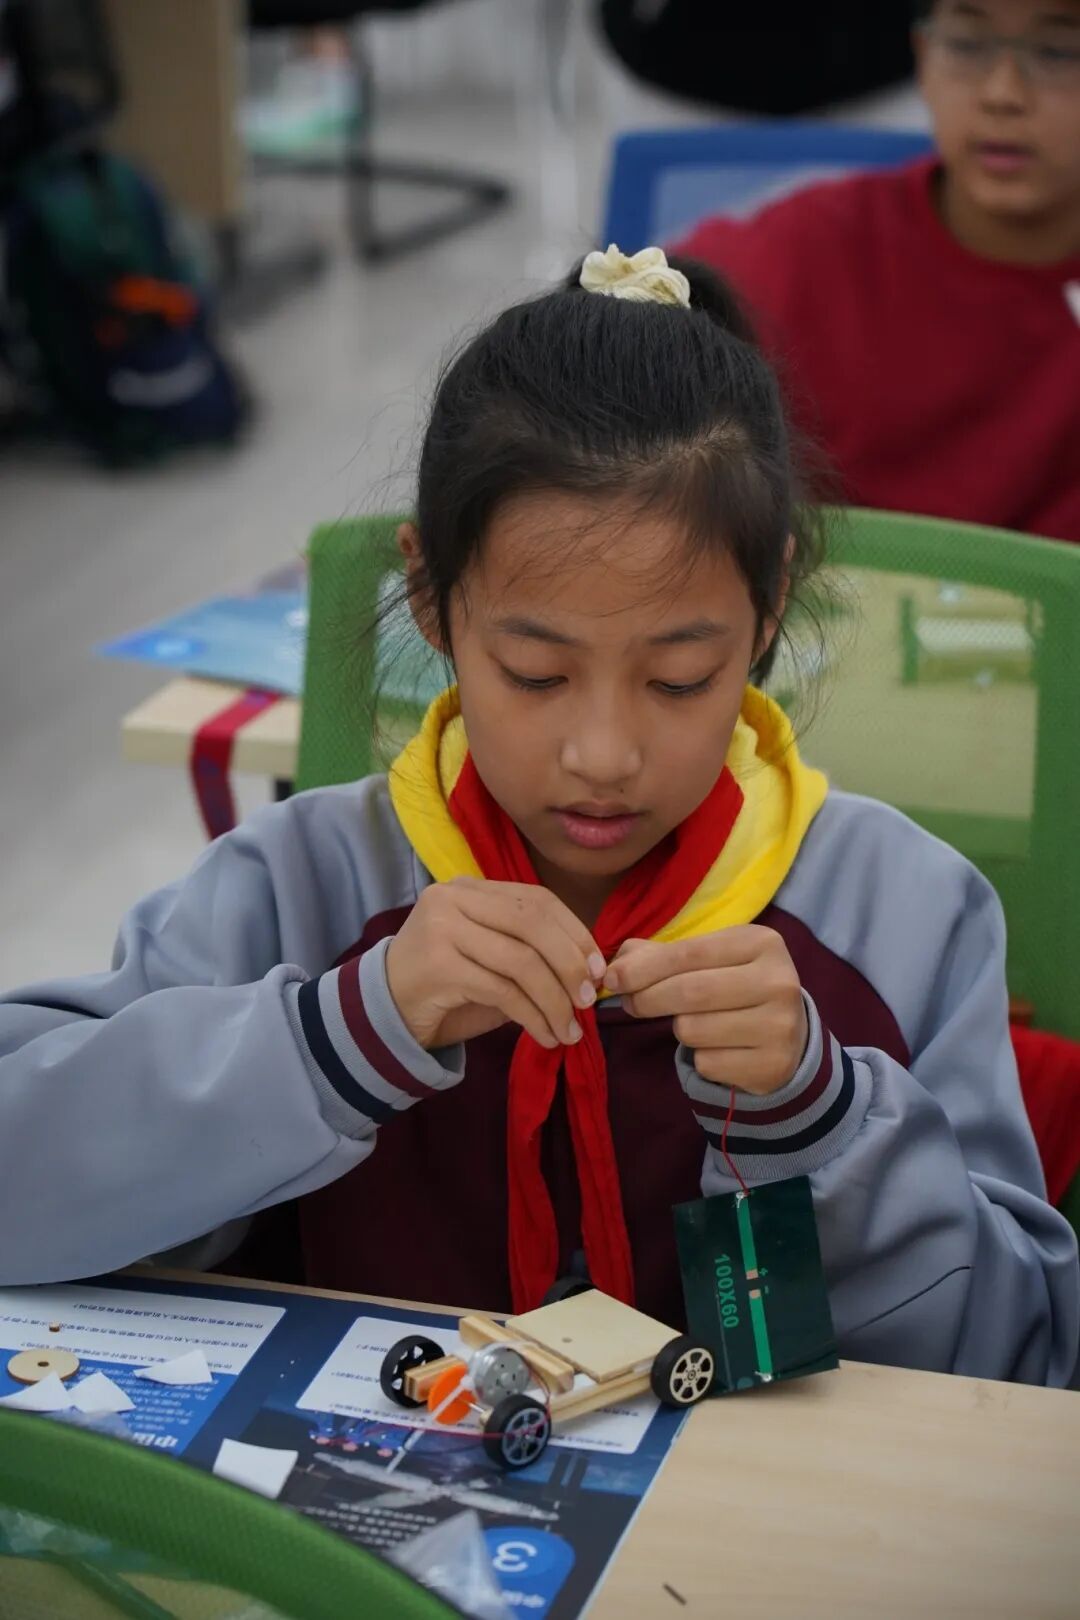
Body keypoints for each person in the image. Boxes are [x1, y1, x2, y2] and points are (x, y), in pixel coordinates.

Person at [0, 245, 1076, 1387]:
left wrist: (826, 1119)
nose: (602, 755)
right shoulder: (296, 887)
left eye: (679, 680)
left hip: (754, 1504)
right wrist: (332, 1038)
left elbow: (1021, 1365)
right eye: (536, 673)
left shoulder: (908, 914)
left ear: (770, 607)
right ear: (430, 596)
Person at [673, 0, 1080, 543]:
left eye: (1058, 52)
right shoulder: (805, 251)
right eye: (966, 44)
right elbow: (615, 325)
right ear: (923, 58)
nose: (1002, 93)